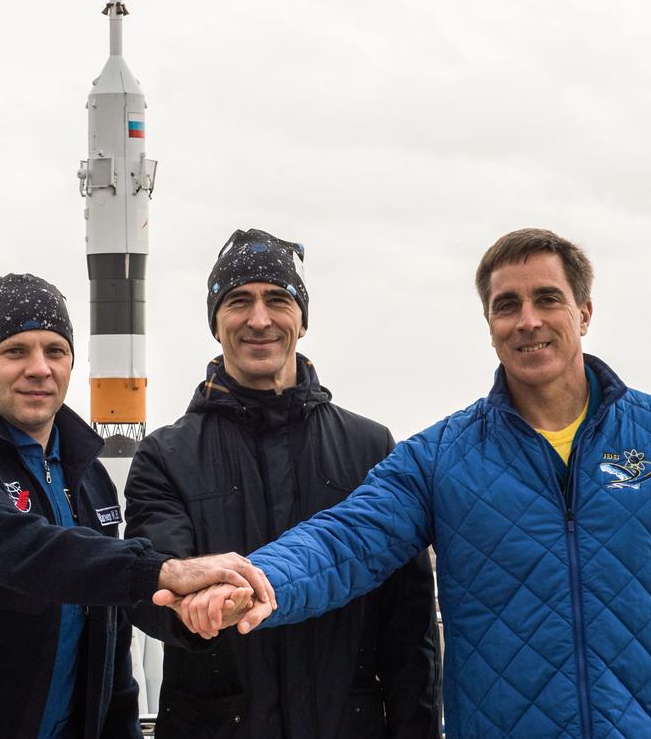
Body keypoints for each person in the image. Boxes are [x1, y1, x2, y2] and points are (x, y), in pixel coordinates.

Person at [170, 229, 651, 738]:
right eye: (506, 305)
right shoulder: (444, 457)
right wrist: (254, 581)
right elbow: (347, 539)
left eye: (548, 299)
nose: (528, 321)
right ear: (489, 322)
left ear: (585, 313)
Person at [0, 273, 273, 739]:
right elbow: (23, 551)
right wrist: (164, 570)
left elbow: (109, 632)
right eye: (15, 351)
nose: (39, 368)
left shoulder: (88, 477)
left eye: (55, 351)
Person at [125, 229, 440, 738]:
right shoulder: (166, 455)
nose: (259, 319)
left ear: (302, 319)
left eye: (278, 299)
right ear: (215, 322)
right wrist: (197, 613)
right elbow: (154, 588)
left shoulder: (371, 447)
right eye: (238, 301)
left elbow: (409, 629)